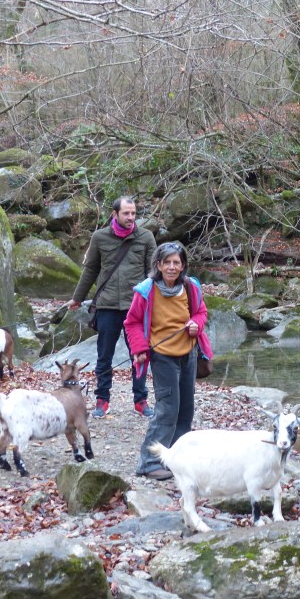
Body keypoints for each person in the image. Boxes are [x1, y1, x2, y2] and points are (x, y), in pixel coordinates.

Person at [123, 242, 213, 480]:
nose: (172, 267)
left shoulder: (190, 287)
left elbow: (201, 312)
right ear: (159, 265)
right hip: (162, 356)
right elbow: (132, 323)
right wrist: (139, 348)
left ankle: (176, 458)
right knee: (167, 409)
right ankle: (149, 463)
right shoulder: (146, 291)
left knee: (185, 409)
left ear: (183, 266)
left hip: (189, 354)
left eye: (176, 262)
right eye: (167, 263)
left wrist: (196, 324)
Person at [69, 196, 157, 419]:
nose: (130, 217)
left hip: (135, 306)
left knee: (139, 353)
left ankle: (141, 400)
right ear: (115, 214)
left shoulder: (146, 237)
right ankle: (102, 400)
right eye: (126, 213)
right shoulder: (100, 237)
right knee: (104, 355)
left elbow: (153, 273)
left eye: (133, 213)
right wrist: (77, 298)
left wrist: (156, 302)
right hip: (107, 305)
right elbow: (91, 269)